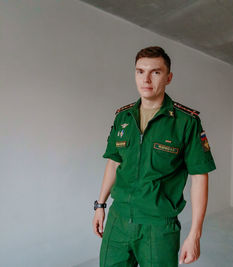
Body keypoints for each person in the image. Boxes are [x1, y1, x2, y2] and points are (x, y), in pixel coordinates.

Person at [92, 46, 216, 267]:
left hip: (158, 227)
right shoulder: (123, 117)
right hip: (118, 220)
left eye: (155, 72)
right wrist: (100, 206)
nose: (146, 79)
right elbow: (113, 163)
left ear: (168, 77)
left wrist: (195, 235)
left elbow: (199, 177)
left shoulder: (186, 122)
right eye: (140, 71)